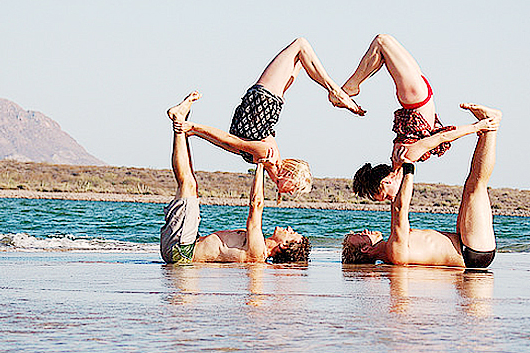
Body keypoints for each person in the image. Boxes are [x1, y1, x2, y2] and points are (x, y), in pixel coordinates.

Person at [174, 37, 365, 200]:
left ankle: (335, 92)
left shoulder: (265, 158)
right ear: (289, 175)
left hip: (264, 105)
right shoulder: (266, 156)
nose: (293, 192)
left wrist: (193, 130)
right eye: (295, 188)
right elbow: (230, 141)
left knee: (300, 47)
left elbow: (229, 144)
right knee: (299, 52)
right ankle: (335, 92)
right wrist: (194, 129)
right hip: (263, 106)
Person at [342, 103, 501, 268]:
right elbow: (399, 209)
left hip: (465, 243)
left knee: (471, 187)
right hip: (473, 252)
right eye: (361, 235)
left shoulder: (392, 250)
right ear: (366, 248)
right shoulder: (394, 250)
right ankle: (492, 125)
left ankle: (487, 130)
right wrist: (409, 167)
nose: (365, 230)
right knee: (475, 188)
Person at [161, 92, 311, 264]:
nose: (289, 228)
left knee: (187, 184)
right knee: (190, 184)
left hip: (182, 252)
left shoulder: (258, 251)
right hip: (187, 245)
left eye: (292, 233)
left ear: (284, 246)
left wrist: (260, 165)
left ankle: (180, 122)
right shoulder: (258, 249)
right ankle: (183, 125)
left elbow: (256, 205)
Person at [343, 34, 497, 201]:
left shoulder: (407, 155)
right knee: (382, 51)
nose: (391, 199)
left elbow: (443, 136)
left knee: (382, 42)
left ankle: (352, 86)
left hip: (415, 98)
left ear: (386, 182)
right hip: (417, 96)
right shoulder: (401, 158)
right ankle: (353, 86)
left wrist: (477, 126)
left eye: (386, 196)